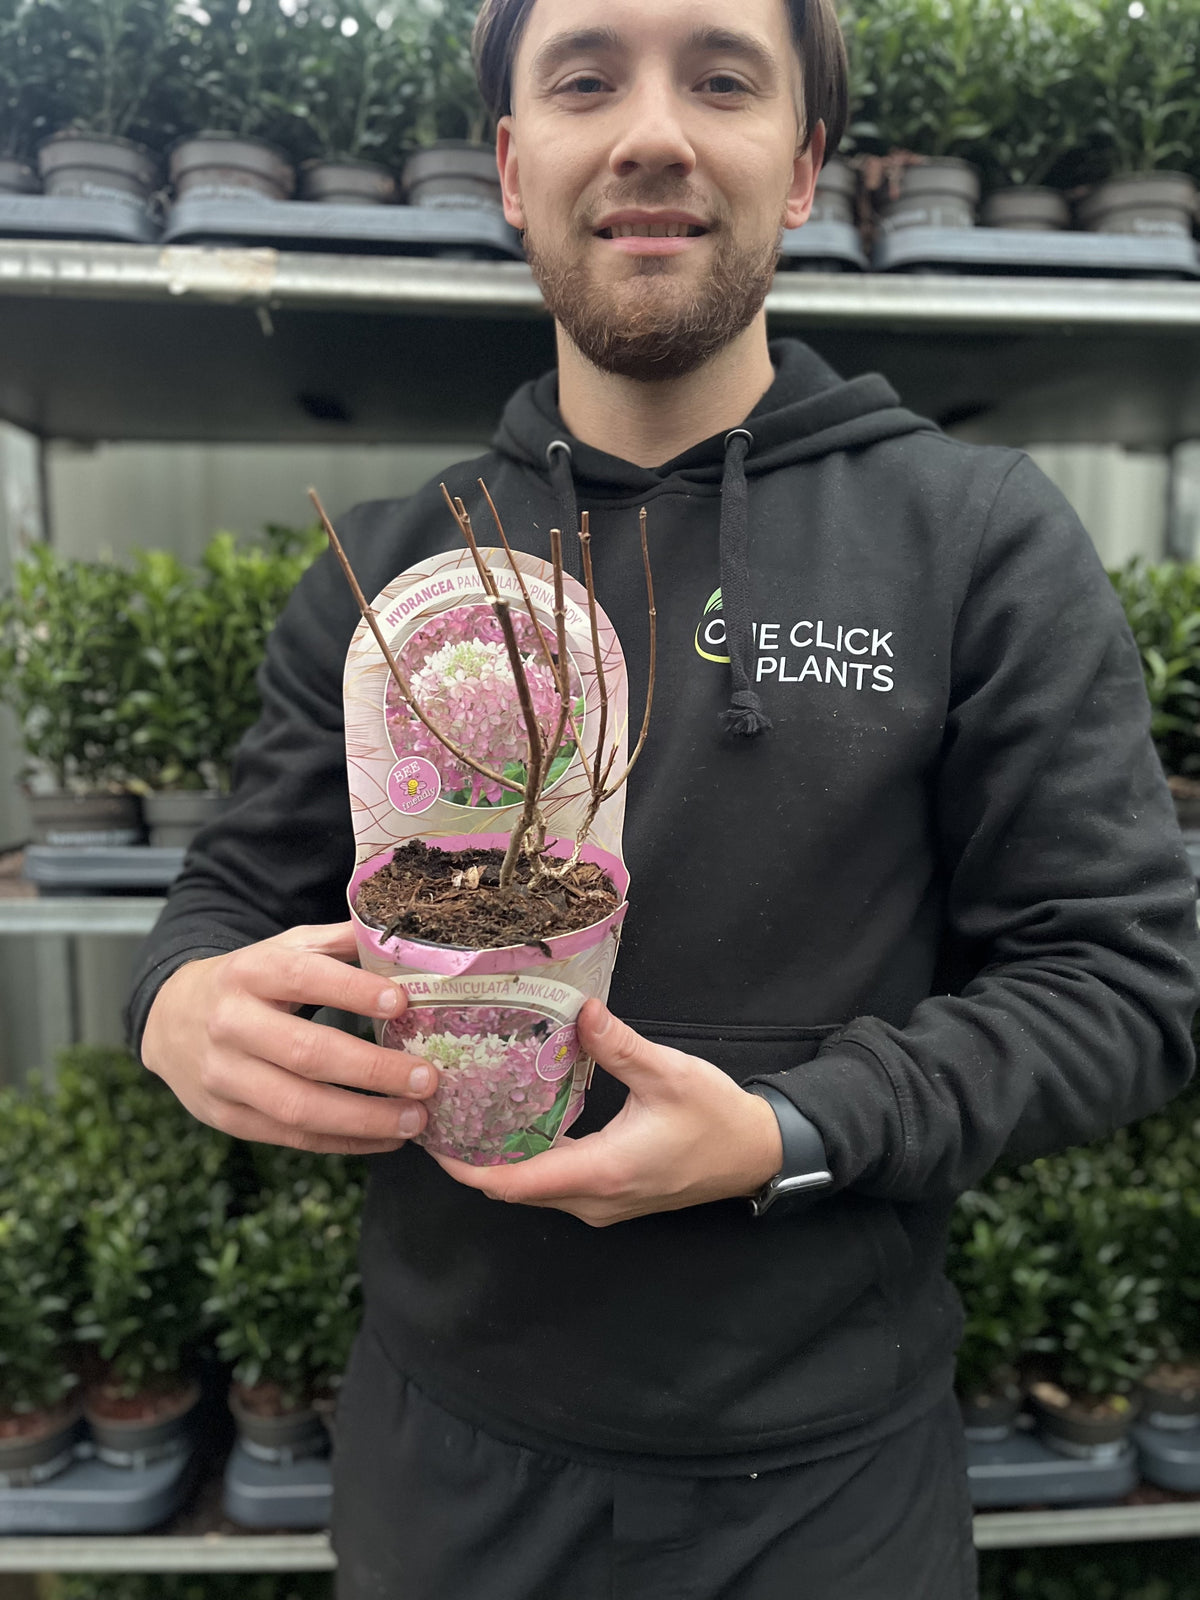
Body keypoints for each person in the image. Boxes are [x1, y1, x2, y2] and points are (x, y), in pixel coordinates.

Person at [128, 0, 1200, 1594]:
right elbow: (228, 900)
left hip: (828, 1490)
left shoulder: (971, 537)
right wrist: (178, 1004)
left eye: (721, 77)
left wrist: (792, 1129)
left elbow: (1124, 982)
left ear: (801, 166)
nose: (649, 130)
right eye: (584, 77)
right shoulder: (398, 576)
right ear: (510, 163)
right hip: (448, 1466)